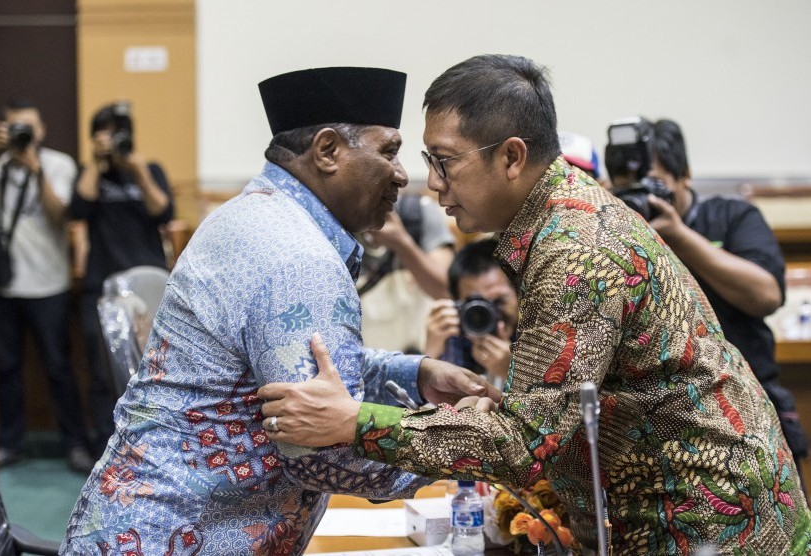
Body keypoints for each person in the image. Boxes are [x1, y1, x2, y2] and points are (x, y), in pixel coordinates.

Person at [258, 55, 811, 554]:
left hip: (713, 525)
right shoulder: (562, 221)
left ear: (512, 157)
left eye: (445, 161)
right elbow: (557, 412)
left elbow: (526, 446)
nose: (430, 184)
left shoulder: (577, 252)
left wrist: (357, 422)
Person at [61, 66, 496, 555]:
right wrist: (463, 446)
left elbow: (299, 369)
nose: (401, 173)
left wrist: (411, 373)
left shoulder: (256, 214)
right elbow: (318, 451)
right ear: (328, 151)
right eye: (389, 151)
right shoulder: (296, 255)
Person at [642, 118, 809, 491]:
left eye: (654, 182)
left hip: (754, 411)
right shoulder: (627, 232)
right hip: (673, 423)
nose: (646, 196)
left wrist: (680, 237)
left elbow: (765, 295)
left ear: (684, 174)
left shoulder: (732, 217)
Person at [0, 98, 93, 473]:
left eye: (28, 128)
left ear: (41, 131)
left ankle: (74, 443)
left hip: (48, 285)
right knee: (7, 368)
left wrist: (34, 168)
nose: (23, 135)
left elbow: (60, 213)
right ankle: (10, 443)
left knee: (58, 367)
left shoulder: (58, 163)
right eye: (15, 128)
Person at [69, 102, 174, 453]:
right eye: (105, 133)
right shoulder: (90, 175)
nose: (113, 140)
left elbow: (164, 212)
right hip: (103, 286)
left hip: (149, 287)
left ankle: (150, 444)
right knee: (101, 372)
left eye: (119, 132)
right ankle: (105, 446)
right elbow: (77, 209)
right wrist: (96, 165)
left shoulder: (149, 169)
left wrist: (138, 170)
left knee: (154, 369)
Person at [358, 191, 455, 353]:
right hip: (361, 368)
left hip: (424, 358)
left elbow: (446, 291)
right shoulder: (328, 222)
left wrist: (401, 242)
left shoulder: (418, 212)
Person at [425, 238, 518, 385]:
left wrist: (513, 372)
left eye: (498, 302)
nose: (490, 313)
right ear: (458, 304)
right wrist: (430, 356)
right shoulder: (454, 336)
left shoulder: (536, 336)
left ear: (520, 294)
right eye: (477, 305)